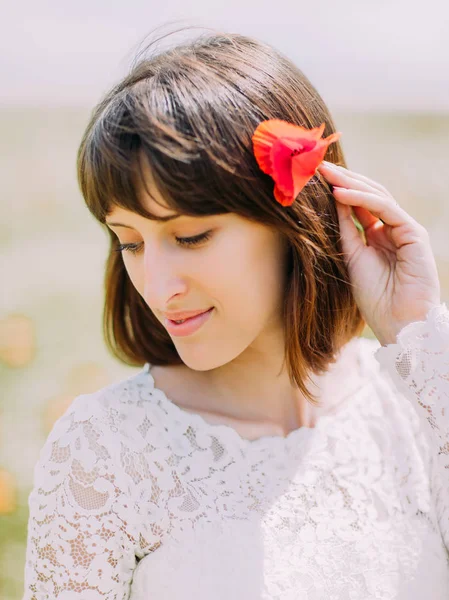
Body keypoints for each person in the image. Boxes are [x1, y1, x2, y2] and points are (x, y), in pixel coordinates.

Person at [22, 29, 449, 599]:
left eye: (191, 236)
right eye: (130, 242)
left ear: (293, 223)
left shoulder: (418, 404)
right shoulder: (104, 453)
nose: (157, 285)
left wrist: (418, 333)